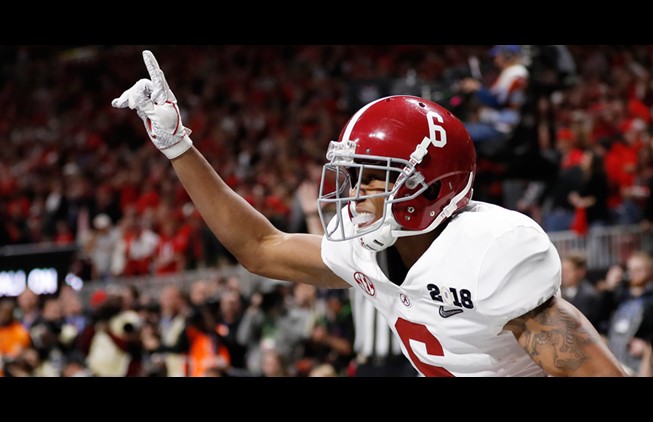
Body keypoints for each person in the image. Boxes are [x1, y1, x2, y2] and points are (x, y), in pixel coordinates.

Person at [111, 50, 625, 377]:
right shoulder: (365, 248)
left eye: (372, 177)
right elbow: (259, 248)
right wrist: (178, 147)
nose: (353, 193)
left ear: (427, 187)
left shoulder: (491, 252)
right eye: (352, 176)